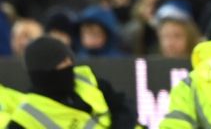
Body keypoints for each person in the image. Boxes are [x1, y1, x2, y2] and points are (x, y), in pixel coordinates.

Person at [8, 36, 138, 128]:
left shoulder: (84, 79)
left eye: (69, 59)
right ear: (45, 72)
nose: (70, 65)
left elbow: (124, 105)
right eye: (62, 62)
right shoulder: (27, 115)